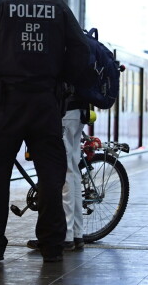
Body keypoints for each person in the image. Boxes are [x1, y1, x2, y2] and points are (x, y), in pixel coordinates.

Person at [0, 0, 89, 263]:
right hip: (46, 102)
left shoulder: (1, 3)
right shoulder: (56, 5)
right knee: (51, 174)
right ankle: (52, 245)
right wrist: (62, 81)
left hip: (7, 101)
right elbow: (80, 49)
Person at [26, 94, 88, 252]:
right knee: (73, 171)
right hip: (78, 111)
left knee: (65, 171)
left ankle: (66, 235)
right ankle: (76, 233)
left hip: (65, 112)